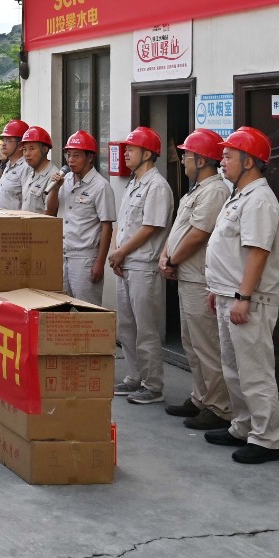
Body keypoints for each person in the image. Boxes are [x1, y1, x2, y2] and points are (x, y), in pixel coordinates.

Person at [205, 127, 279, 465]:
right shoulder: (239, 195)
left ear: (249, 161)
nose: (221, 161)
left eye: (228, 156)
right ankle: (242, 426)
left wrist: (242, 296)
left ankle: (266, 439)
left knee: (255, 372)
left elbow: (257, 252)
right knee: (233, 369)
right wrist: (219, 289)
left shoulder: (260, 200)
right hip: (230, 294)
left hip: (248, 300)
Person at [160, 129, 233, 431]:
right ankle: (201, 397)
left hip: (199, 278)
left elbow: (198, 235)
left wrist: (172, 259)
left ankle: (219, 407)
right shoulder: (196, 190)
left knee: (206, 345)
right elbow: (179, 229)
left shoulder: (214, 191)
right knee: (191, 343)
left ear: (201, 160)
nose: (183, 160)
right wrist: (166, 255)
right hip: (186, 275)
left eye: (187, 155)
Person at [109, 126, 174, 406]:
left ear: (147, 154)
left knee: (146, 329)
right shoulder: (133, 183)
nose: (126, 153)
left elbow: (150, 227)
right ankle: (134, 377)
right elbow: (122, 224)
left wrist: (121, 252)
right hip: (126, 263)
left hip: (143, 266)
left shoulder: (157, 186)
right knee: (126, 326)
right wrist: (117, 252)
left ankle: (153, 385)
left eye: (131, 149)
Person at [56, 131, 115, 306]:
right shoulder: (65, 180)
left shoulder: (101, 186)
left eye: (76, 155)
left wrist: (100, 263)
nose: (71, 160)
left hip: (85, 258)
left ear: (90, 157)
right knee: (61, 309)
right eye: (68, 155)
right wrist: (54, 187)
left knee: (86, 311)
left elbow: (106, 226)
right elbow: (50, 209)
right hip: (63, 253)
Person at [17, 126, 60, 214]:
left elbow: (50, 213)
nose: (27, 154)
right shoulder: (29, 173)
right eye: (24, 149)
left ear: (44, 149)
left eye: (31, 149)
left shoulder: (54, 176)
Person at [0, 119, 30, 211]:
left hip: (14, 219)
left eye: (8, 140)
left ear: (20, 146)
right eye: (3, 140)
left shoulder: (26, 168)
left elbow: (27, 203)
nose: (3, 144)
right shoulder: (8, 165)